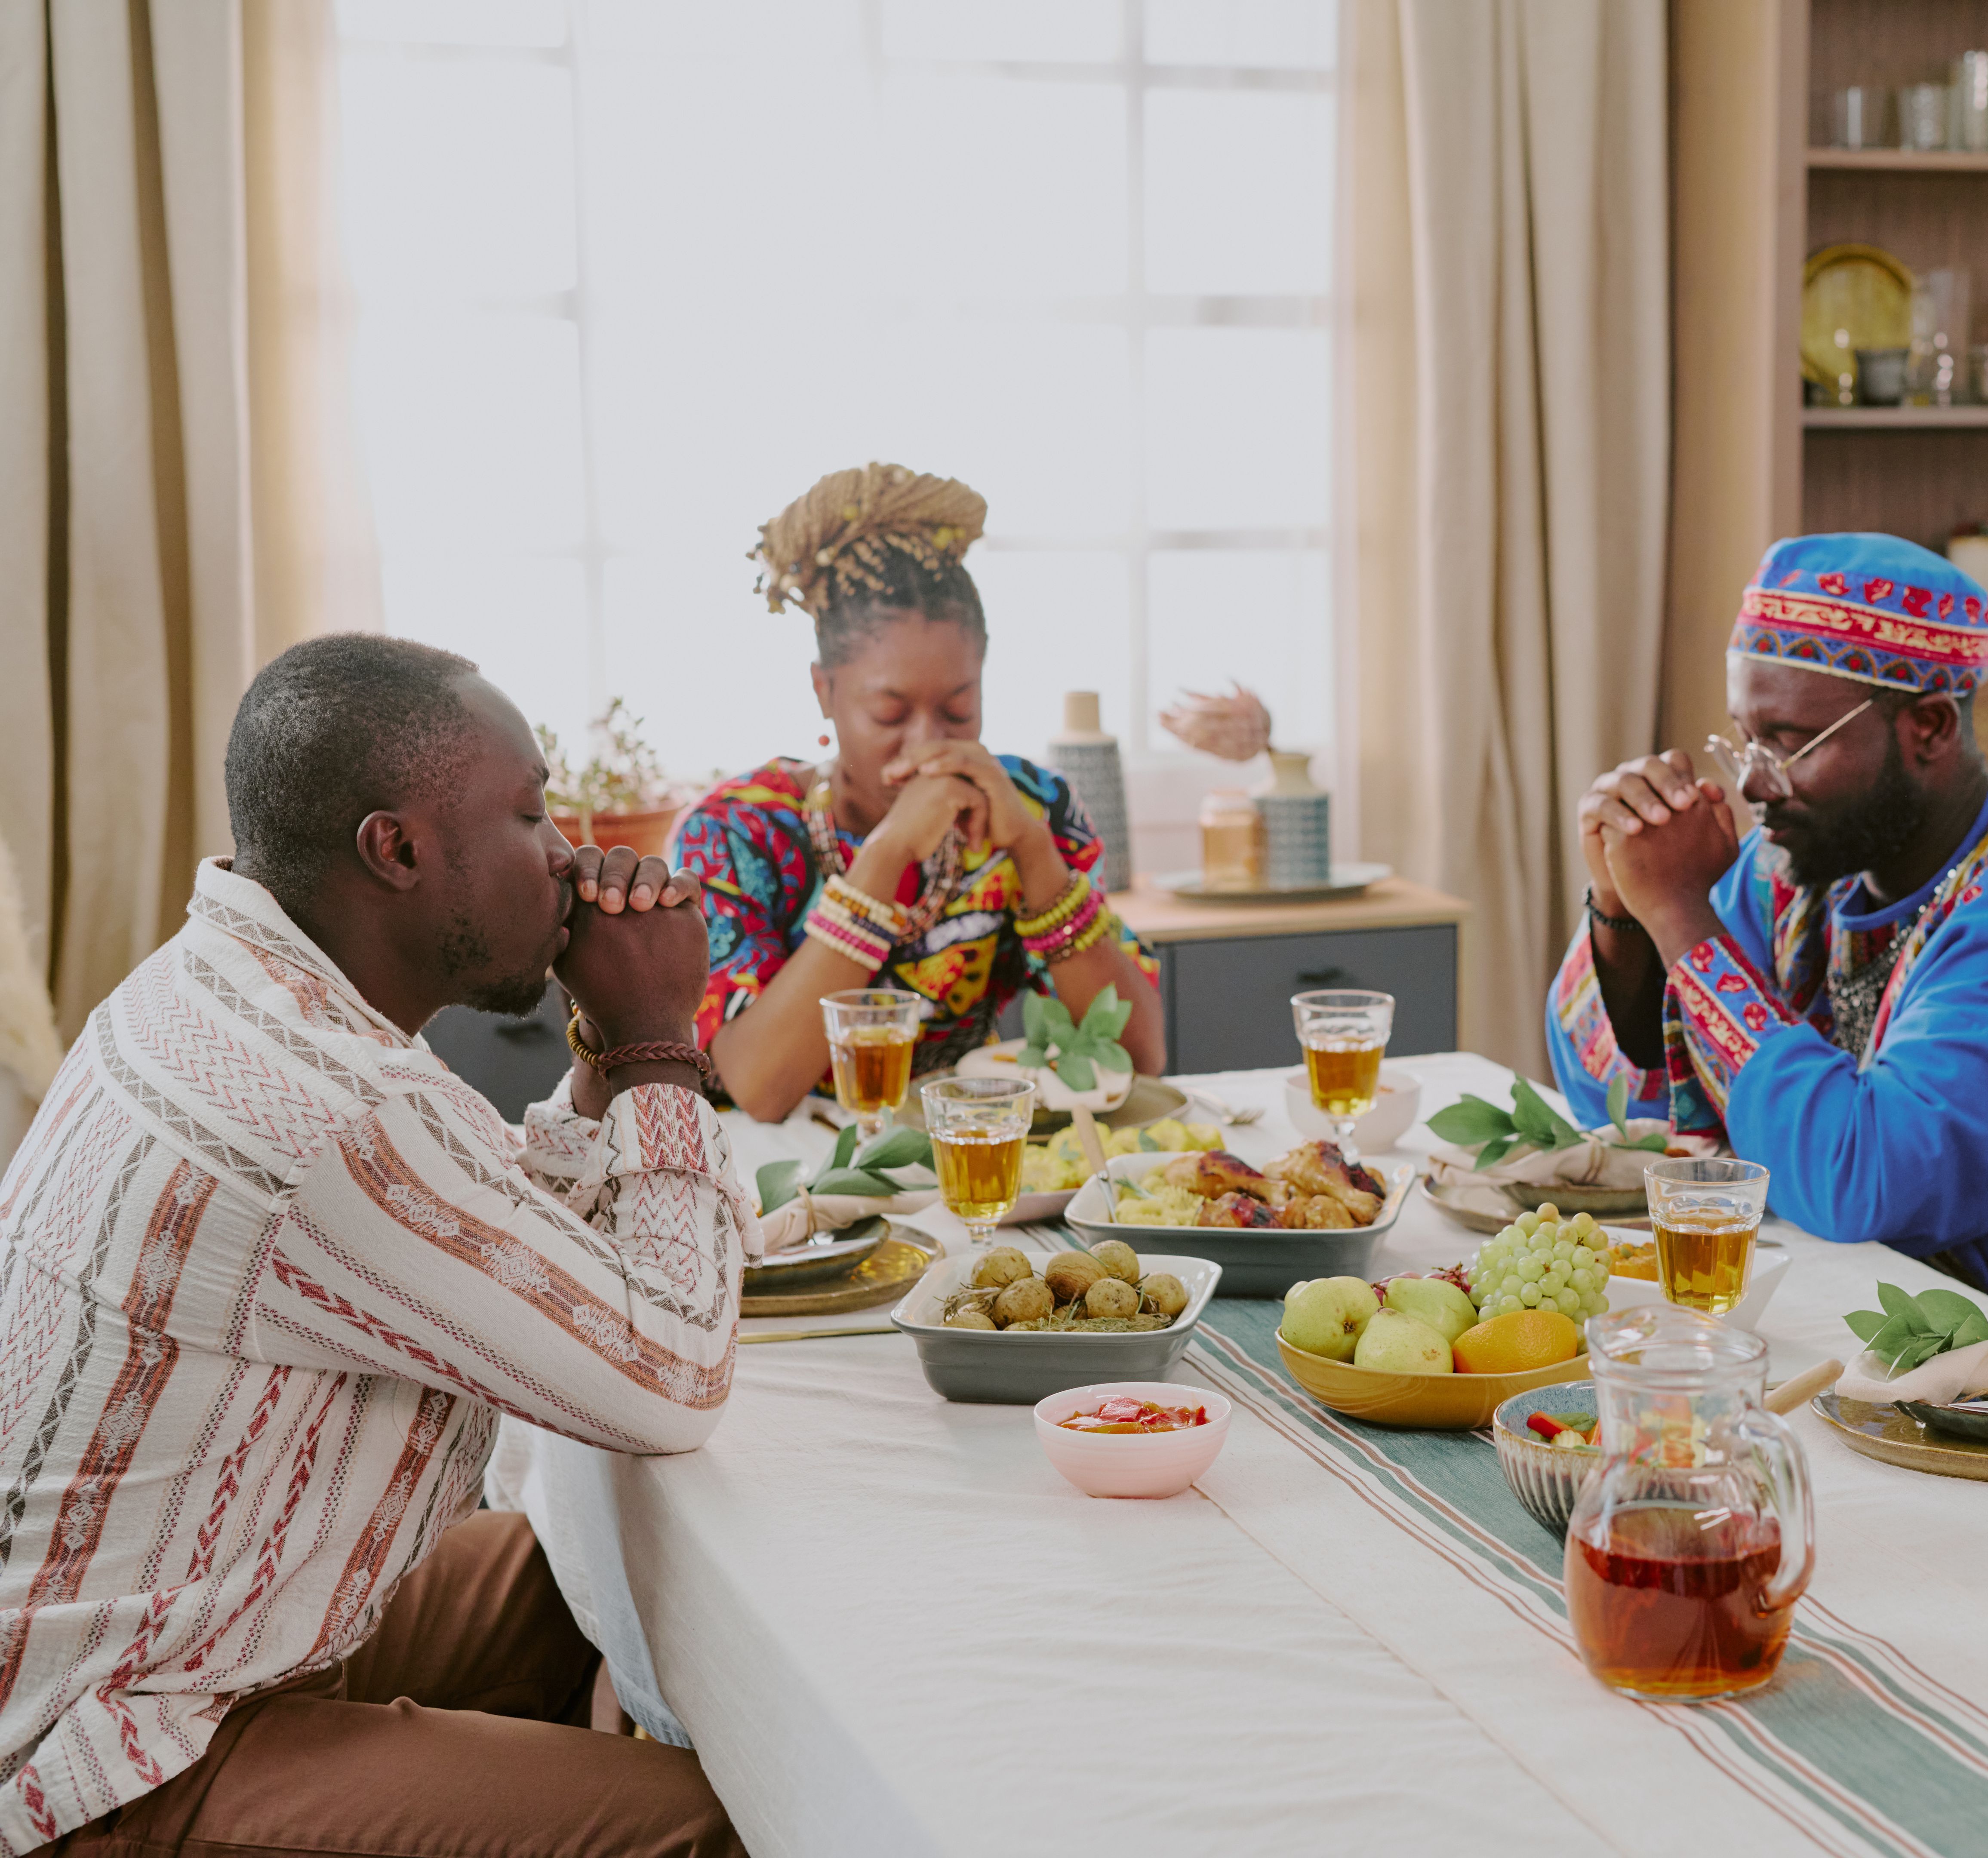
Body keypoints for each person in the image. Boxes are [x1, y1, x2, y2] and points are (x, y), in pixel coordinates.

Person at [0, 636, 757, 1855]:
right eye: (528, 812)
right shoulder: (331, 1112)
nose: (566, 854)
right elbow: (673, 1377)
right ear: (394, 850)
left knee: (630, 1598)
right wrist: (661, 1041)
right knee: (727, 1824)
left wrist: (605, 1060)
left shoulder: (217, 985)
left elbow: (506, 1253)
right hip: (115, 1754)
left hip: (182, 1627)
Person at [1548, 533, 1988, 1289]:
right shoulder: (1810, 854)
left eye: (1790, 745)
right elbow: (1628, 1111)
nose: (1753, 785)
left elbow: (1865, 1183)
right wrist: (1623, 906)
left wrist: (1681, 915)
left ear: (1931, 727)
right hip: (1831, 1291)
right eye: (1745, 741)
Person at [677, 463, 1162, 1123]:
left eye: (959, 710)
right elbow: (761, 1086)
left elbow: (1138, 1056)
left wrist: (1033, 852)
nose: (928, 743)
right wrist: (889, 852)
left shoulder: (1030, 806)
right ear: (824, 691)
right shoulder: (737, 831)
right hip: (782, 1185)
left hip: (968, 1160)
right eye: (889, 713)